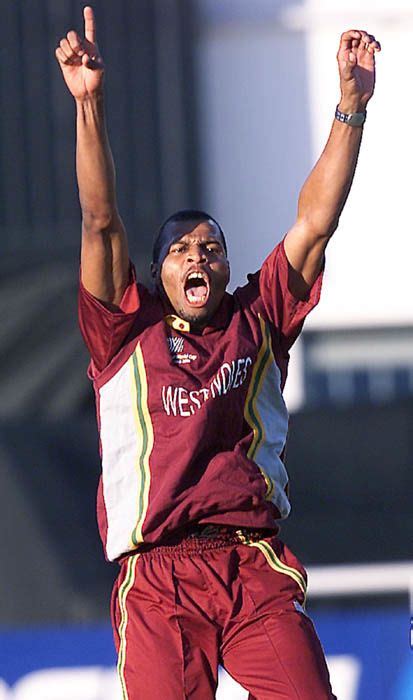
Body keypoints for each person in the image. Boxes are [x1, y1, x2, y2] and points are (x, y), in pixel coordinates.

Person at [56, 7, 380, 699]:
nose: (196, 256)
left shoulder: (257, 316)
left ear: (228, 268)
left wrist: (350, 108)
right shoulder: (123, 332)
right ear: (156, 274)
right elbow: (99, 219)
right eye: (179, 250)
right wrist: (89, 102)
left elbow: (314, 224)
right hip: (158, 577)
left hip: (250, 565)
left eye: (210, 247)